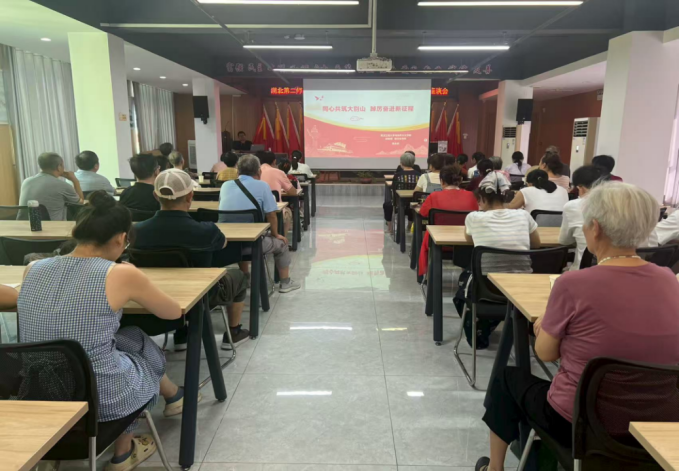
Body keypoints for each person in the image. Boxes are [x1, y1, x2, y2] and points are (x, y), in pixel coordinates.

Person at [476, 182, 679, 472]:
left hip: (580, 425)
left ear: (595, 228)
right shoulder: (668, 279)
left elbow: (545, 353)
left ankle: (494, 469)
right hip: (655, 424)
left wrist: (545, 326)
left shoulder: (572, 284)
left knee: (507, 380)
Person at [18, 191, 190, 472]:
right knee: (139, 345)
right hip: (102, 399)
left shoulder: (33, 268)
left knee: (126, 338)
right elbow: (172, 313)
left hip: (40, 393)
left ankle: (51, 456)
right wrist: (136, 277)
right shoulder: (120, 273)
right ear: (121, 239)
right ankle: (124, 453)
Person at [133, 169, 250, 350]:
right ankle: (233, 332)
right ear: (190, 196)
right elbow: (224, 243)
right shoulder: (206, 230)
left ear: (155, 196)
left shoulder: (136, 231)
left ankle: (182, 334)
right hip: (201, 297)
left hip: (155, 296)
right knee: (239, 277)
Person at [219, 154, 301, 293]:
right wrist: (276, 234)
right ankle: (285, 283)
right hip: (252, 245)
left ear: (238, 171)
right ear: (259, 171)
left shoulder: (225, 185)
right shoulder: (262, 186)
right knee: (281, 243)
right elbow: (271, 215)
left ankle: (245, 277)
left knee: (242, 233)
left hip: (226, 244)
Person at [465, 172, 541, 274]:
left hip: (486, 279)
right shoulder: (524, 215)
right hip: (522, 278)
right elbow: (536, 244)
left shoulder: (473, 217)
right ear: (505, 196)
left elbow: (470, 240)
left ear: (482, 198)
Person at [418, 164, 479, 276]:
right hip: (467, 242)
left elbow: (423, 213)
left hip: (439, 242)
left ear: (441, 181)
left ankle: (428, 276)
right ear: (460, 180)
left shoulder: (434, 196)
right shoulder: (471, 196)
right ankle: (466, 276)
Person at [559, 165, 606, 271]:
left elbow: (564, 241)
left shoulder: (573, 206)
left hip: (582, 270)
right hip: (615, 269)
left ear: (581, 187)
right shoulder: (618, 205)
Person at [19, 152, 84, 221]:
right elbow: (80, 204)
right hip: (52, 226)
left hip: (22, 225)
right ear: (59, 167)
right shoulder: (63, 186)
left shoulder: (26, 181)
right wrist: (75, 181)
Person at [384, 152, 422, 232]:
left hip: (399, 203)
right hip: (415, 203)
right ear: (413, 162)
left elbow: (394, 189)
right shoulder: (419, 175)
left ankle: (390, 228)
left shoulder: (398, 175)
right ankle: (409, 225)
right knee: (411, 204)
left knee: (387, 205)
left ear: (401, 163)